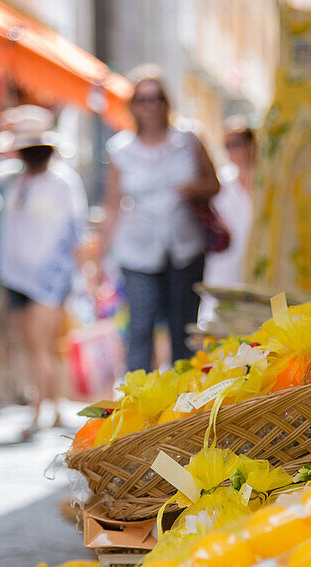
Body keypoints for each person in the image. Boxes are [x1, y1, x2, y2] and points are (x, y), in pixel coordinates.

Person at [99, 66, 221, 372]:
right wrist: (98, 255)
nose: (150, 106)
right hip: (137, 249)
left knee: (184, 328)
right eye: (142, 100)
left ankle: (185, 402)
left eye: (156, 99)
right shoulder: (120, 150)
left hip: (185, 246)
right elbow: (112, 204)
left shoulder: (188, 140)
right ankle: (139, 404)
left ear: (166, 102)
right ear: (133, 106)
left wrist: (193, 188)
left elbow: (214, 184)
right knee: (140, 326)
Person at [0, 106, 87, 436]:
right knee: (39, 346)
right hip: (16, 276)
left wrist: (85, 275)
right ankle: (55, 406)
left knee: (40, 344)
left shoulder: (63, 182)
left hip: (51, 277)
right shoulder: (12, 181)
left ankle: (39, 413)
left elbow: (76, 231)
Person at [200, 117, 257, 325]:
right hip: (227, 263)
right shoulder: (221, 183)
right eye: (227, 146)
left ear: (251, 144)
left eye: (236, 144)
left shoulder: (266, 182)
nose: (232, 151)